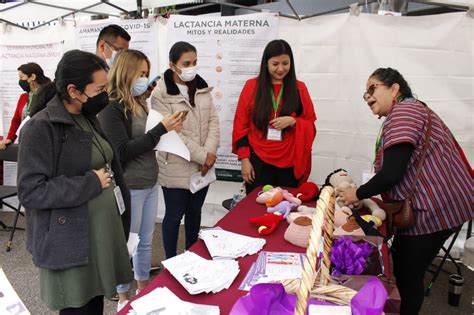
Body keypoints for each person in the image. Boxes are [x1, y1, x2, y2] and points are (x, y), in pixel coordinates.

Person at [337, 67, 473, 315]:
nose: (367, 97)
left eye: (372, 88)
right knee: (405, 267)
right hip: (441, 205)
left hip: (435, 209)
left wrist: (358, 194)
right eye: (364, 93)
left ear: (394, 88)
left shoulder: (405, 111)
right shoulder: (409, 110)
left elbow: (391, 174)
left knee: (408, 273)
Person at [17, 50, 132, 315]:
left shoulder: (86, 116)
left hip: (96, 235)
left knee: (94, 305)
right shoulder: (41, 127)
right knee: (79, 309)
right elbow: (31, 192)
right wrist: (90, 183)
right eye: (100, 88)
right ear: (73, 90)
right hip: (69, 242)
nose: (105, 94)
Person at [98, 49, 183, 310]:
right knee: (128, 243)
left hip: (149, 181)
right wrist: (160, 131)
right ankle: (123, 296)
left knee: (145, 240)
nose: (145, 79)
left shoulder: (140, 103)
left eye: (147, 74)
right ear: (127, 72)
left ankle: (144, 289)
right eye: (141, 73)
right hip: (129, 186)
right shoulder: (111, 108)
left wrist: (164, 132)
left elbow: (145, 141)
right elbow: (122, 151)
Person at [151, 41, 220, 259]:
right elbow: (171, 133)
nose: (192, 67)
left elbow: (213, 123)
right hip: (175, 166)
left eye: (195, 62)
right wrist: (203, 155)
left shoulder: (202, 88)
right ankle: (171, 260)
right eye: (186, 63)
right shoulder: (160, 94)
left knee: (194, 213)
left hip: (202, 167)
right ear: (173, 65)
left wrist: (208, 154)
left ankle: (192, 256)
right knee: (173, 216)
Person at [232, 39, 317, 194]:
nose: (280, 69)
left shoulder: (300, 88)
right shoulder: (252, 87)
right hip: (257, 159)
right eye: (275, 64)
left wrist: (293, 121)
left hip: (290, 161)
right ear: (266, 63)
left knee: (287, 205)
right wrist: (245, 159)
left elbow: (310, 123)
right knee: (256, 205)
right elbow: (240, 126)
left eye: (285, 63)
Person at [0, 63, 51, 149]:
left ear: (32, 77)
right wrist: (9, 138)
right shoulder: (23, 97)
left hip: (44, 143)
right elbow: (16, 119)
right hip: (25, 142)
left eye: (21, 77)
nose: (20, 81)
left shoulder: (49, 96)